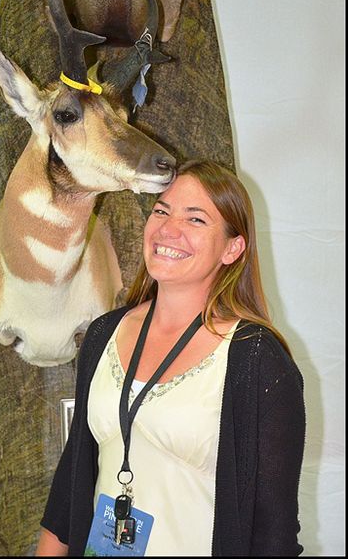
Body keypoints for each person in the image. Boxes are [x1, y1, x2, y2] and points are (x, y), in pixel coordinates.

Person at [36, 159, 305, 557]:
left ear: (233, 248)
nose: (168, 229)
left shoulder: (256, 358)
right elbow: (71, 487)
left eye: (196, 220)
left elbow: (274, 533)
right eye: (161, 210)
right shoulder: (103, 334)